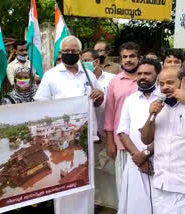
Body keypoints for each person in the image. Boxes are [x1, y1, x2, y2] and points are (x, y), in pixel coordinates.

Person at [35, 35, 104, 214]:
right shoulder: (51, 76)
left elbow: (99, 102)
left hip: (85, 138)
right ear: (60, 53)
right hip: (62, 140)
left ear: (80, 53)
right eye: (66, 51)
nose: (70, 54)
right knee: (64, 182)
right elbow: (40, 106)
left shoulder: (88, 74)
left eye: (74, 51)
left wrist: (99, 96)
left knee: (85, 180)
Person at [141, 68, 185, 214]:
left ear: (183, 82)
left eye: (170, 82)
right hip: (162, 182)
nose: (165, 87)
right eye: (161, 84)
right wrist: (151, 116)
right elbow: (145, 139)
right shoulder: (158, 106)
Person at [117, 58, 162, 214]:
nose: (142, 77)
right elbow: (122, 131)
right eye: (140, 73)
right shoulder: (130, 100)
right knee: (135, 207)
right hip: (135, 163)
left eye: (148, 74)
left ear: (157, 75)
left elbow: (169, 133)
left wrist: (146, 154)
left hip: (160, 163)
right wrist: (138, 157)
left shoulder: (164, 99)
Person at [81, 48, 117, 213]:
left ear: (96, 62)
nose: (84, 63)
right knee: (90, 170)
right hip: (88, 134)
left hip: (106, 130)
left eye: (87, 59)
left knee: (106, 171)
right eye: (82, 60)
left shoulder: (112, 79)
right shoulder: (79, 78)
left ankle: (109, 203)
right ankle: (93, 201)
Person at [104, 42, 140, 200]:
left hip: (143, 142)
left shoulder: (147, 78)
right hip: (121, 144)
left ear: (139, 58)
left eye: (132, 56)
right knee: (123, 186)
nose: (128, 60)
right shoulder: (114, 81)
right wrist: (110, 142)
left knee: (143, 187)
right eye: (125, 57)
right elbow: (109, 113)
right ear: (120, 59)